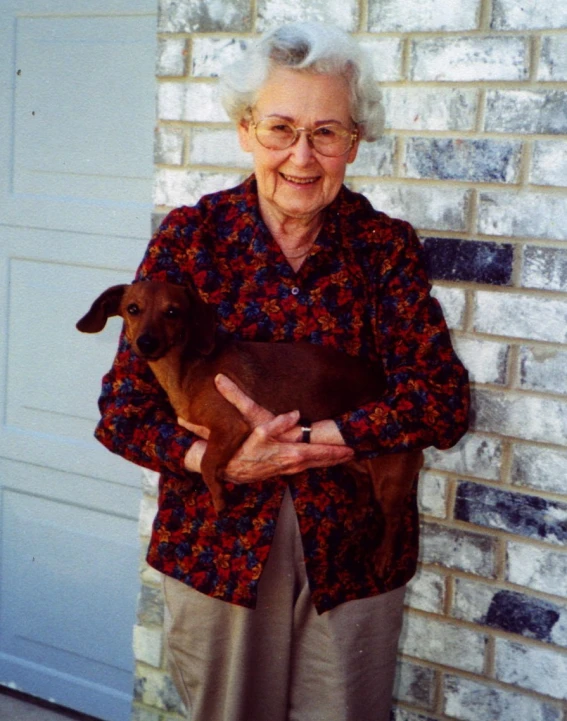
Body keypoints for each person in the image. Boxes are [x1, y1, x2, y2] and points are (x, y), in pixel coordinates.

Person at [95, 21, 470, 721]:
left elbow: (441, 400)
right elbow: (122, 411)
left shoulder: (383, 248)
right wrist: (218, 458)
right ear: (245, 131)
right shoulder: (188, 239)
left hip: (355, 556)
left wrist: (323, 434)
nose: (302, 155)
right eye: (280, 128)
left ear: (352, 144)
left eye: (326, 132)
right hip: (220, 551)